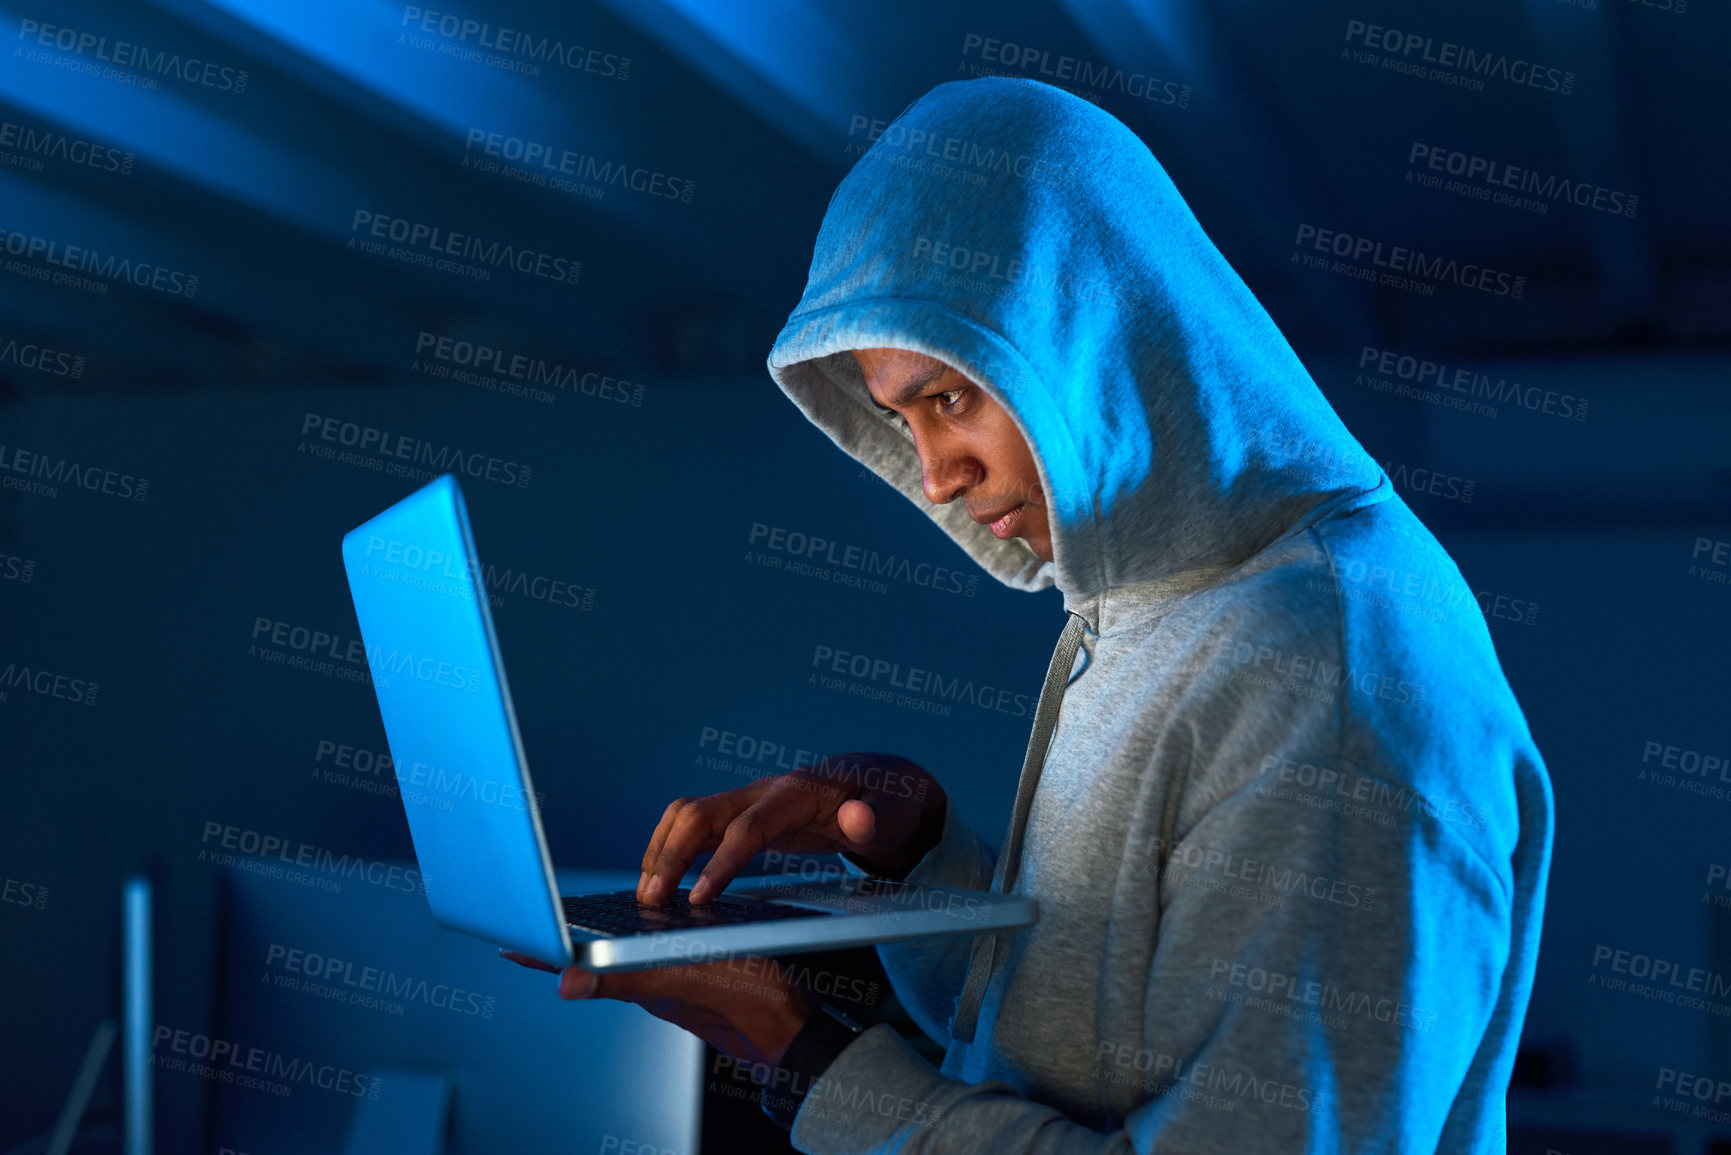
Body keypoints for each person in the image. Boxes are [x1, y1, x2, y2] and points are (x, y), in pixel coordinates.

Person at [505, 75, 1553, 1152]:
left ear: (1089, 331)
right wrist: (911, 852)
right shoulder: (1160, 608)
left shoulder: (1331, 676)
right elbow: (1080, 1034)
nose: (936, 476)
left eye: (949, 398)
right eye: (899, 420)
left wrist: (807, 1056)